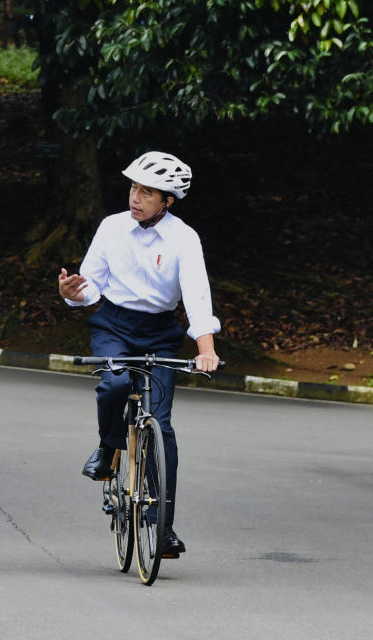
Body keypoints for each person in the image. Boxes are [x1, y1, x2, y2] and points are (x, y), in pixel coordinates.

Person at [57, 150, 221, 557]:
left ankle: (162, 527)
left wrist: (206, 350)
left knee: (161, 428)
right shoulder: (112, 228)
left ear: (167, 201)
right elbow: (91, 284)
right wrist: (73, 294)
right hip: (114, 325)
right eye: (133, 188)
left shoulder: (184, 238)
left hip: (159, 333)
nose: (136, 198)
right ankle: (109, 446)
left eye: (147, 193)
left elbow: (197, 297)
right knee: (113, 384)